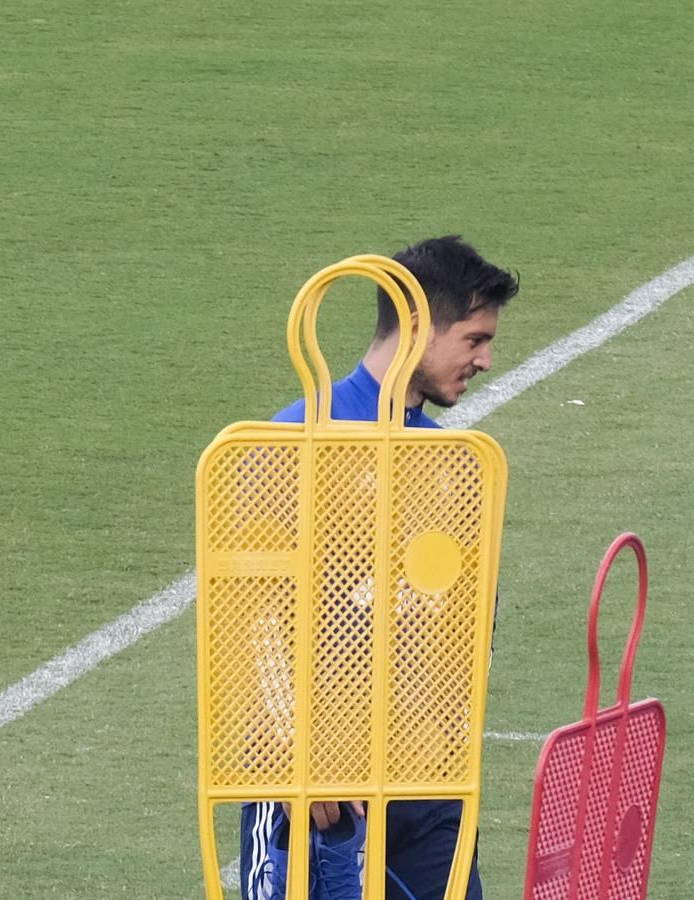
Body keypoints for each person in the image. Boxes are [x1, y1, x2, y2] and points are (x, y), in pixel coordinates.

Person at [239, 236, 520, 900]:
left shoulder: (455, 464)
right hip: (316, 789)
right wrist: (294, 757)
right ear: (417, 325)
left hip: (428, 788)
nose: (485, 359)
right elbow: (249, 619)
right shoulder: (294, 441)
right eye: (474, 339)